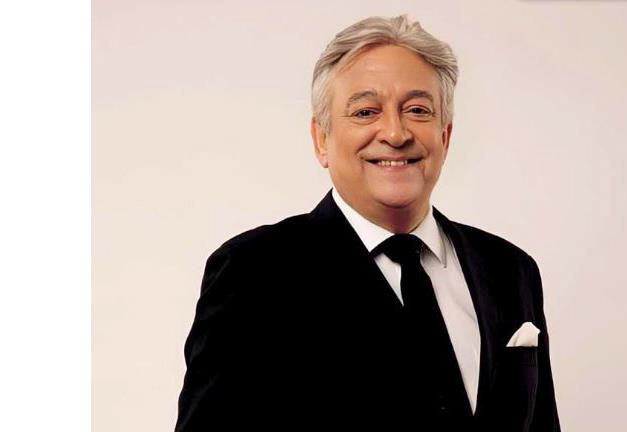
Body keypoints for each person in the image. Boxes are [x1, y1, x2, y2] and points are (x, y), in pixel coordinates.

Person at [175, 14, 561, 431]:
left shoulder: (509, 269)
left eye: (417, 110)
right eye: (365, 111)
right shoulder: (254, 272)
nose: (395, 133)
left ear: (445, 137)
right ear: (322, 140)